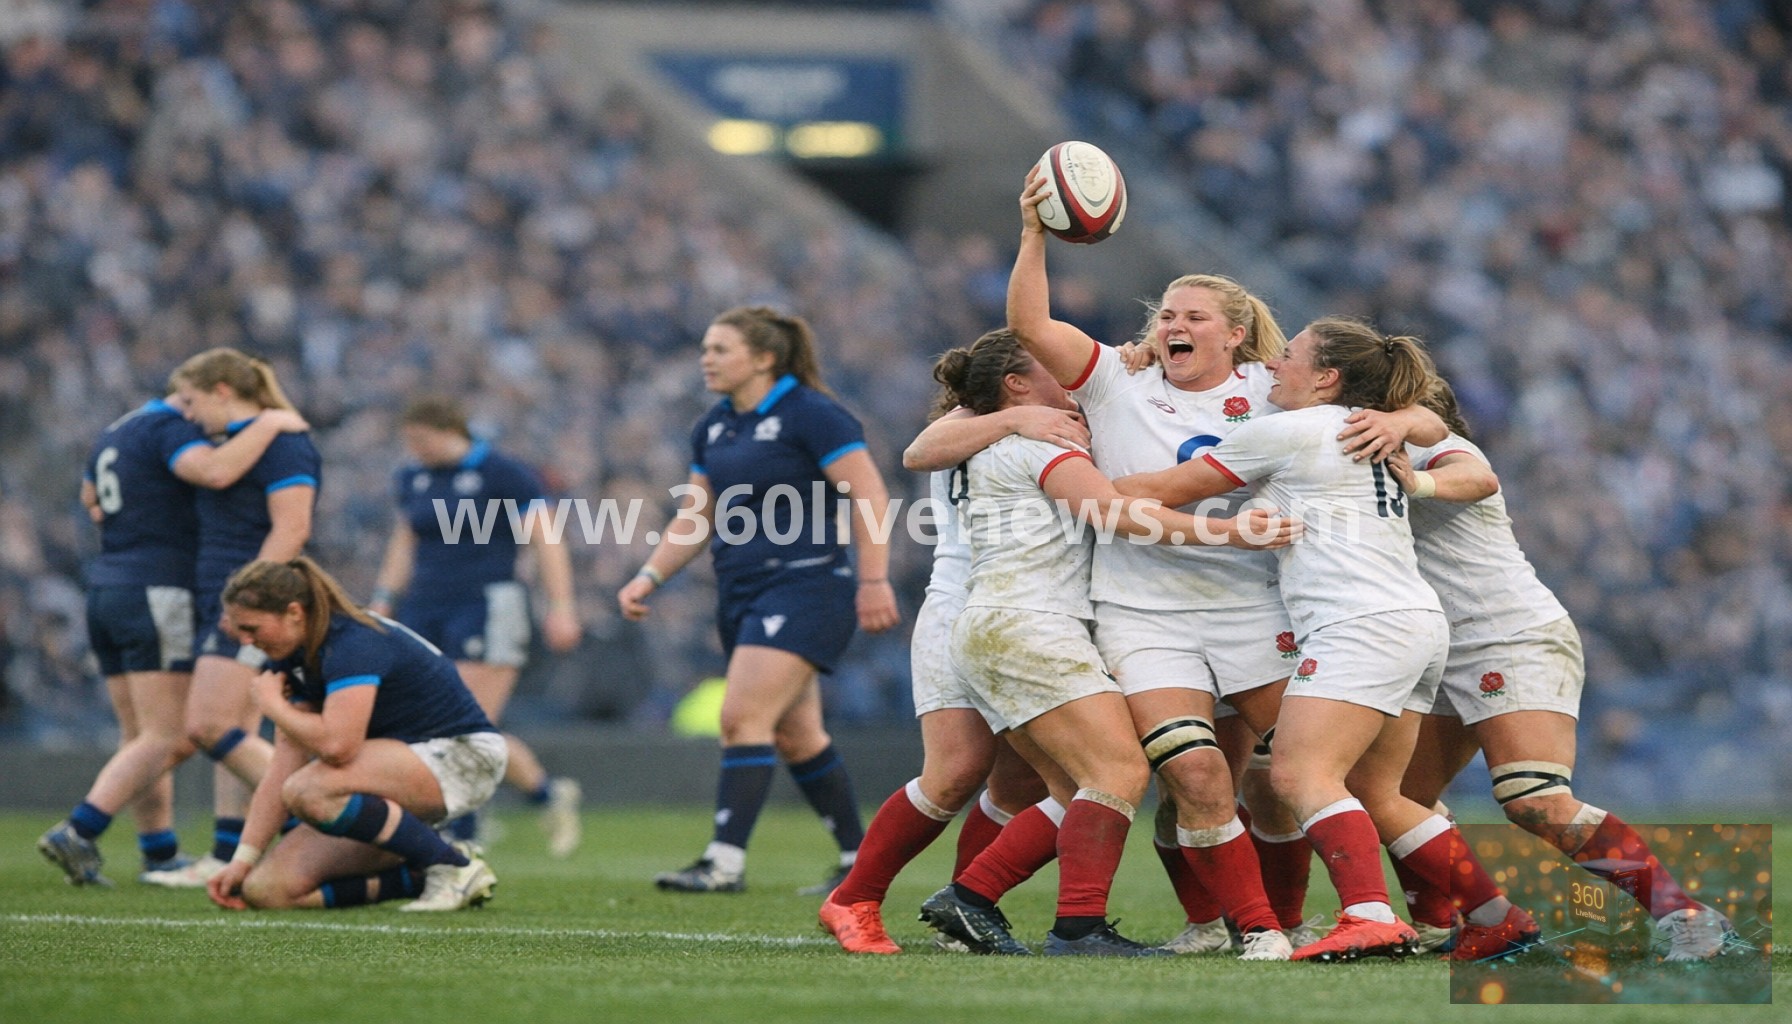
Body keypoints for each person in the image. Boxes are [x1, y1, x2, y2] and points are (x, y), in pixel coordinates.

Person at [907, 171, 1440, 958]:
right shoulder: (1115, 379)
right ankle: (1250, 931)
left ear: (1233, 335)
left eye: (1193, 316)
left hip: (1257, 611)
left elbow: (1432, 421)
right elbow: (1027, 321)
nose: (1172, 325)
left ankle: (1398, 914)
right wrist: (1033, 231)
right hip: (1144, 616)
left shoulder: (1274, 387)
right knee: (1194, 777)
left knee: (1303, 777)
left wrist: (1402, 420)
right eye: (1165, 314)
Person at [1116, 316, 1515, 962]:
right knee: (1379, 794)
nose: (1274, 363)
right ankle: (1500, 917)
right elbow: (1446, 438)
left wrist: (1072, 481)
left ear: (1326, 377)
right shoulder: (1369, 428)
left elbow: (1159, 491)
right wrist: (1413, 423)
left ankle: (1369, 915)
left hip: (1355, 625)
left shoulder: (1287, 432)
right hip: (1414, 622)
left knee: (1300, 774)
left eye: (1291, 355)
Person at [909, 329, 1301, 957]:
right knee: (1118, 769)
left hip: (1007, 623)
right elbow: (1113, 513)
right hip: (1027, 626)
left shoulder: (1009, 430)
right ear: (1014, 386)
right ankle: (1067, 924)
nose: (1071, 376)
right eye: (1049, 368)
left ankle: (975, 897)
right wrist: (1230, 532)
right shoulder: (1041, 440)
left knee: (1081, 787)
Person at [1383, 378, 1734, 962]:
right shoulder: (1341, 454)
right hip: (1435, 645)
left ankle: (1684, 913)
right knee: (1395, 799)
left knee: (1533, 798)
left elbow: (1475, 475)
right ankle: (1464, 924)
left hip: (1506, 636)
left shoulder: (1441, 451)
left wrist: (1416, 476)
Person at [617, 306, 900, 894]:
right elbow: (697, 517)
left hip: (806, 584)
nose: (706, 359)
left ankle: (724, 862)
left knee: (741, 717)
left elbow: (869, 492)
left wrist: (873, 581)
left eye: (720, 349)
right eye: (705, 349)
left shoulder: (812, 414)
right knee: (797, 737)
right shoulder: (714, 426)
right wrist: (649, 575)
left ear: (764, 358)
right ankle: (857, 861)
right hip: (742, 589)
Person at [817, 388, 1081, 952]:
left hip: (1035, 613)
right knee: (959, 770)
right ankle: (853, 898)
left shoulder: (1066, 409)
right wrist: (1015, 416)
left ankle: (964, 908)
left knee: (1024, 782)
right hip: (970, 605)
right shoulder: (981, 420)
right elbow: (919, 450)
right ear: (1011, 381)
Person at [37, 395, 308, 886]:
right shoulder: (174, 427)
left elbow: (88, 498)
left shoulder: (119, 429)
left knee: (142, 736)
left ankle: (159, 852)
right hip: (158, 588)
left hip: (107, 587)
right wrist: (270, 423)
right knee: (175, 734)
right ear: (208, 391)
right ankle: (81, 828)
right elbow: (216, 471)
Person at [204, 557, 503, 911]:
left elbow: (338, 746)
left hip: (461, 754)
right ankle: (431, 866)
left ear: (295, 612)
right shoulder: (293, 657)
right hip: (396, 765)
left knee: (308, 790)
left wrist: (274, 707)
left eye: (252, 628)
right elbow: (281, 771)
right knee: (267, 890)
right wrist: (242, 861)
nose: (247, 641)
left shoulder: (351, 641)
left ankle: (448, 867)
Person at [369, 396, 584, 858]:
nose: (415, 450)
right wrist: (385, 599)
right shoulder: (413, 477)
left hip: (486, 606)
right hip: (425, 609)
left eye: (421, 440)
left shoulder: (503, 473)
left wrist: (561, 605)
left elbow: (546, 539)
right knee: (444, 727)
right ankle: (545, 795)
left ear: (451, 432)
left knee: (463, 729)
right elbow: (406, 538)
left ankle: (463, 836)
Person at [140, 348, 320, 887]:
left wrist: (250, 602)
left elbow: (292, 528)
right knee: (236, 728)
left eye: (193, 401)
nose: (188, 415)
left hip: (253, 603)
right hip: (226, 597)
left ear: (223, 390)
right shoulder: (238, 442)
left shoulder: (284, 443)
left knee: (209, 724)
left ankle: (335, 809)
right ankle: (227, 851)